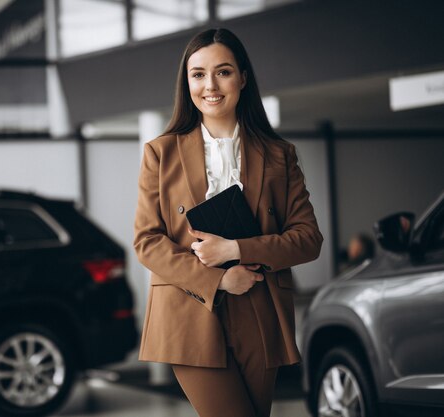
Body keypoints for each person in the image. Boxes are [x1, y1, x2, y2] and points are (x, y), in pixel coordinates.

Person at [133, 28, 323, 417]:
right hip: (190, 309)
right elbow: (147, 241)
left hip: (261, 307)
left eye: (222, 72)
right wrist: (218, 278)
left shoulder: (278, 155)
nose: (210, 85)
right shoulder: (161, 153)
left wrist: (236, 250)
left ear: (243, 78)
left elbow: (308, 239)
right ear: (186, 83)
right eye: (198, 74)